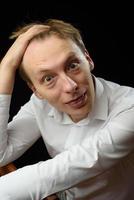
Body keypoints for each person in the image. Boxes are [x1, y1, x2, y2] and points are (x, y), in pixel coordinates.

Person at [0, 18, 134, 200]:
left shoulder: (129, 107)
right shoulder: (40, 103)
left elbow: (58, 173)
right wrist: (6, 68)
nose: (70, 86)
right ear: (35, 90)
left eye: (72, 65)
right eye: (48, 78)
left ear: (88, 59)